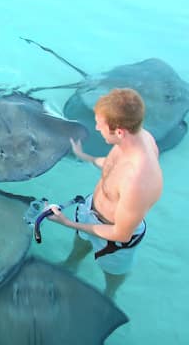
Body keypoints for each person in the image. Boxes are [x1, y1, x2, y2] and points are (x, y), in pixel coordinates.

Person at [46, 88, 163, 298]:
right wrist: (85, 156)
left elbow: (121, 233)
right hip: (91, 210)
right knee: (81, 241)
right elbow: (111, 165)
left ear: (119, 131)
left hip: (114, 239)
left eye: (100, 124)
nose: (97, 128)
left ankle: (110, 294)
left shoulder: (138, 180)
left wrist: (66, 223)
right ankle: (72, 264)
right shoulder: (138, 136)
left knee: (113, 271)